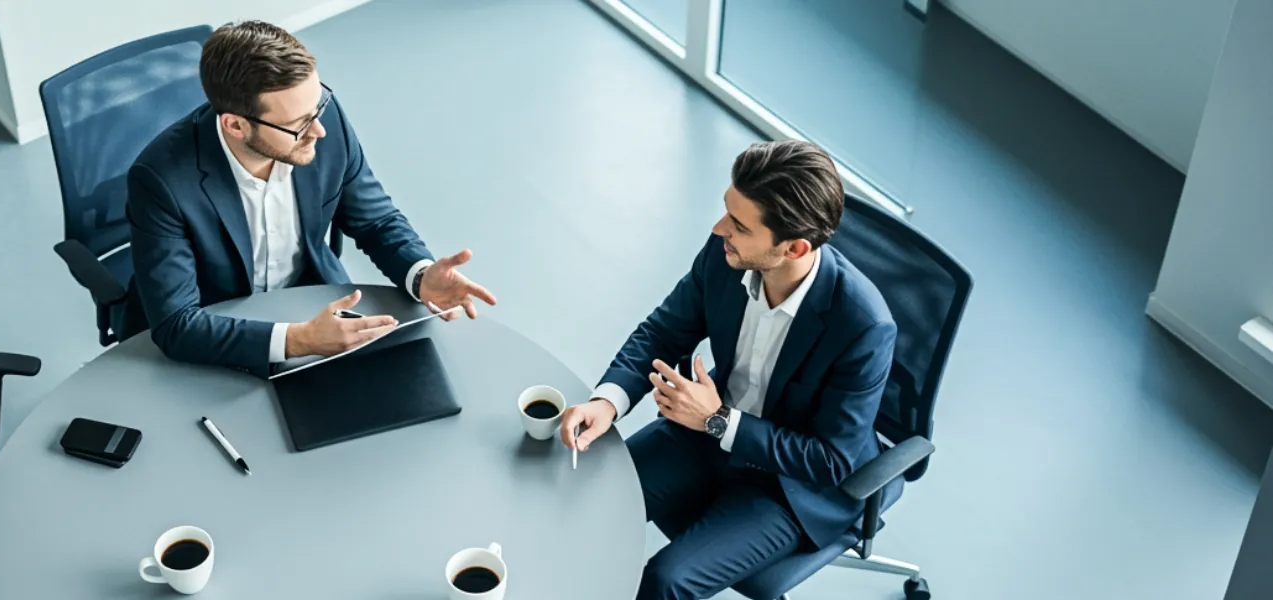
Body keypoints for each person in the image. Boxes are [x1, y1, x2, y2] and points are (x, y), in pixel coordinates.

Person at [560, 140, 896, 599]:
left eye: (739, 225)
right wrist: (608, 401)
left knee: (666, 582)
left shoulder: (864, 326)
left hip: (789, 487)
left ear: (794, 247)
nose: (720, 229)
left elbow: (831, 460)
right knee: (580, 497)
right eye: (726, 212)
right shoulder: (726, 253)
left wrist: (719, 421)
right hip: (704, 433)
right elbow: (664, 331)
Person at [125, 20, 496, 375]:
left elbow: (375, 220)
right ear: (236, 125)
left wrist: (420, 275)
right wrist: (300, 340)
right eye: (298, 124)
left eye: (317, 107)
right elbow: (177, 324)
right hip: (219, 324)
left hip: (312, 297)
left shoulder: (321, 116)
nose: (318, 130)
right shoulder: (160, 180)